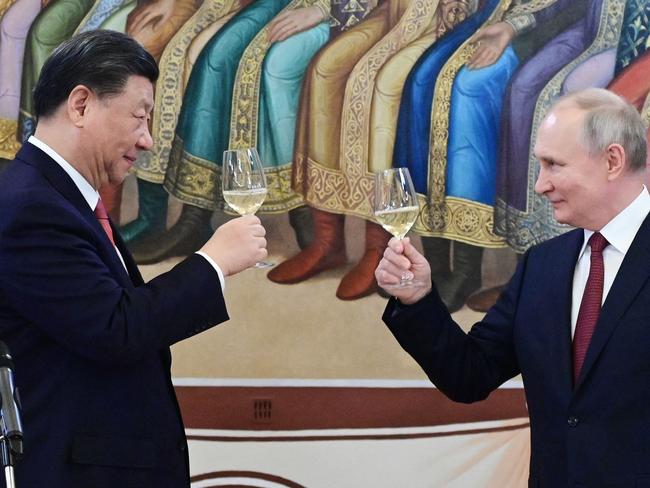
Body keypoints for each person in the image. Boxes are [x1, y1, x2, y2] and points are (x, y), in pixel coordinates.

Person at [0, 30, 267, 487]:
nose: (146, 141)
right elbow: (115, 328)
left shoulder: (61, 198)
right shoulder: (31, 206)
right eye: (139, 117)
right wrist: (213, 262)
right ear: (81, 105)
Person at [375, 88, 650, 486]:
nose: (540, 185)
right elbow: (469, 374)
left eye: (554, 165)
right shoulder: (544, 265)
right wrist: (417, 298)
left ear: (612, 161)